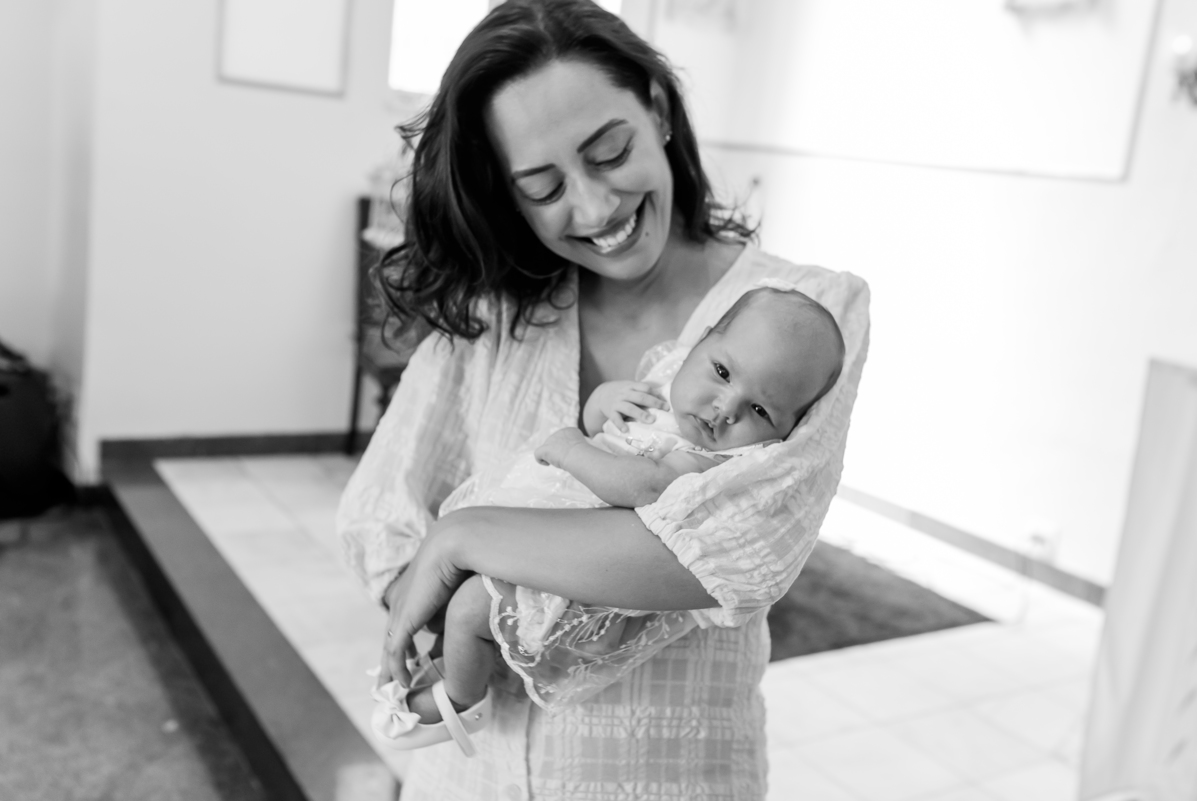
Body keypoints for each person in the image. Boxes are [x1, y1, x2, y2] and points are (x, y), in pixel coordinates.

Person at [336, 1, 870, 798]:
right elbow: (381, 511)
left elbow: (722, 554)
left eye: (609, 152)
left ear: (656, 110)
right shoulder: (500, 312)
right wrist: (463, 616)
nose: (593, 210)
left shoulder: (809, 315)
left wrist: (468, 537)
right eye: (544, 187)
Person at [369, 286, 846, 745]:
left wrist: (569, 448)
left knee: (472, 607)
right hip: (540, 532)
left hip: (576, 575)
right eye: (721, 372)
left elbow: (639, 485)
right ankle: (438, 660)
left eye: (760, 410)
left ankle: (463, 698)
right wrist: (603, 403)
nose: (724, 409)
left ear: (781, 436)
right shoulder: (661, 387)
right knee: (453, 591)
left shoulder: (703, 462)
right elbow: (603, 423)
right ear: (699, 343)